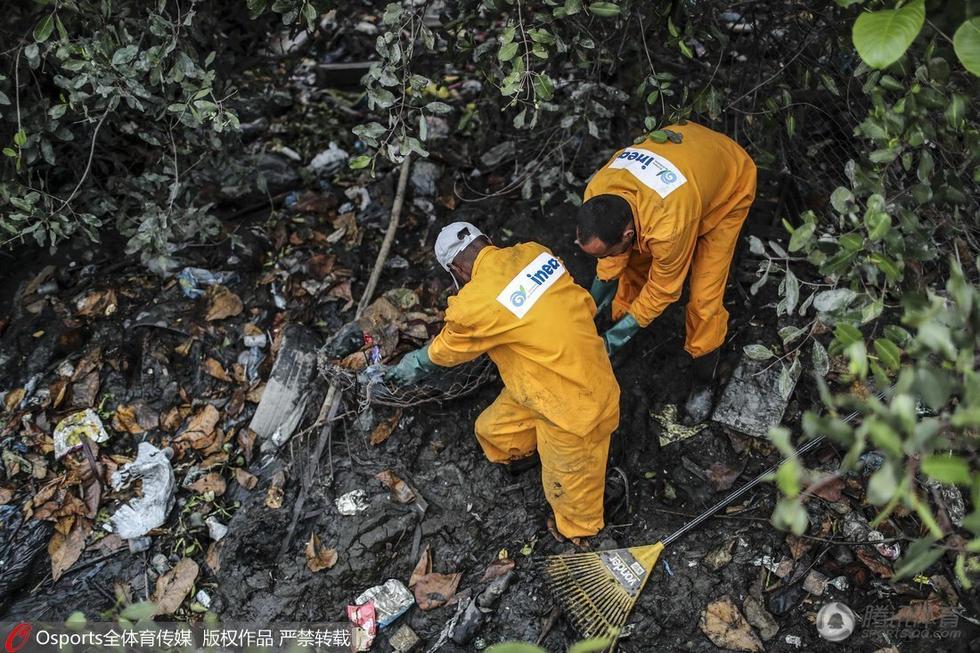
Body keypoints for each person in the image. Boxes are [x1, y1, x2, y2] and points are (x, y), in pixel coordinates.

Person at [385, 222, 621, 541]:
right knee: (493, 433)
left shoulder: (475, 304)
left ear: (456, 269)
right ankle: (534, 455)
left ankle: (581, 535)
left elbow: (450, 348)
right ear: (488, 241)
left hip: (575, 409)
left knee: (572, 501)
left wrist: (417, 362)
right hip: (550, 379)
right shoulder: (534, 253)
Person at [576, 121, 757, 424]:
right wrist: (586, 312)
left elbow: (663, 289)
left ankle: (704, 382)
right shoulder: (597, 190)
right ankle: (620, 328)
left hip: (727, 185)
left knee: (703, 302)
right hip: (689, 165)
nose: (605, 258)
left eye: (608, 250)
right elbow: (610, 262)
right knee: (631, 269)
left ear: (629, 233)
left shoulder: (668, 227)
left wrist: (613, 338)